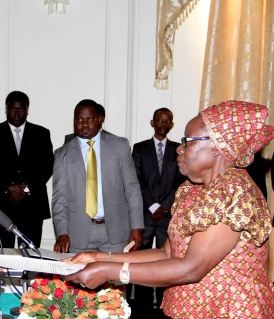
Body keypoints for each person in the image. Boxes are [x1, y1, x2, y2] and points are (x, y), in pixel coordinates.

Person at [64, 100, 274, 319]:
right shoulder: (192, 190)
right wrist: (101, 258)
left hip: (227, 311)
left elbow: (191, 268)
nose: (180, 148)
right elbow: (167, 253)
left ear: (217, 147)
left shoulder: (233, 192)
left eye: (188, 141)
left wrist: (110, 271)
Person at [52, 99, 144, 254]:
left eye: (89, 119)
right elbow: (59, 198)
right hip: (78, 234)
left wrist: (136, 226)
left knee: (117, 278)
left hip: (116, 232)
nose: (84, 124)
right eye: (79, 119)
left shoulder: (120, 146)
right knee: (79, 278)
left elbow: (132, 188)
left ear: (100, 120)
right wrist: (62, 233)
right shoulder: (62, 154)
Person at [0, 91, 54, 248]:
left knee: (30, 251)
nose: (17, 113)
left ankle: (27, 274)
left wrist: (25, 188)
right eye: (13, 108)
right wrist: (8, 187)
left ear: (27, 110)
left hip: (32, 203)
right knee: (1, 251)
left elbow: (46, 167)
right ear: (6, 109)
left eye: (21, 109)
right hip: (1, 202)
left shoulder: (41, 133)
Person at [131, 108, 184, 318]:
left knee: (167, 261)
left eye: (167, 121)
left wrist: (165, 206)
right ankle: (142, 308)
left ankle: (164, 307)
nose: (163, 124)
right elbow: (136, 181)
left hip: (168, 216)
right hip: (145, 213)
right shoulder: (139, 148)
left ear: (171, 125)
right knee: (143, 260)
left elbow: (181, 181)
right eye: (159, 120)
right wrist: (152, 205)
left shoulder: (178, 149)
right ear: (152, 123)